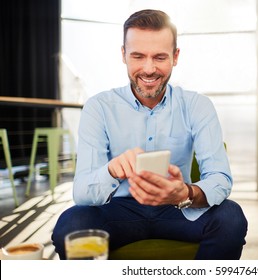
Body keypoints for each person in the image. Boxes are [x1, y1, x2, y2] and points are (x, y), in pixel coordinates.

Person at [52, 9, 248, 260]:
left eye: (159, 57)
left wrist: (185, 193)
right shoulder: (98, 107)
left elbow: (220, 178)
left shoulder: (197, 105)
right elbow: (82, 192)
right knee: (71, 225)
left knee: (230, 218)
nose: (148, 69)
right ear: (123, 54)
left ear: (175, 57)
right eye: (138, 56)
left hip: (179, 209)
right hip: (118, 211)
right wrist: (111, 170)